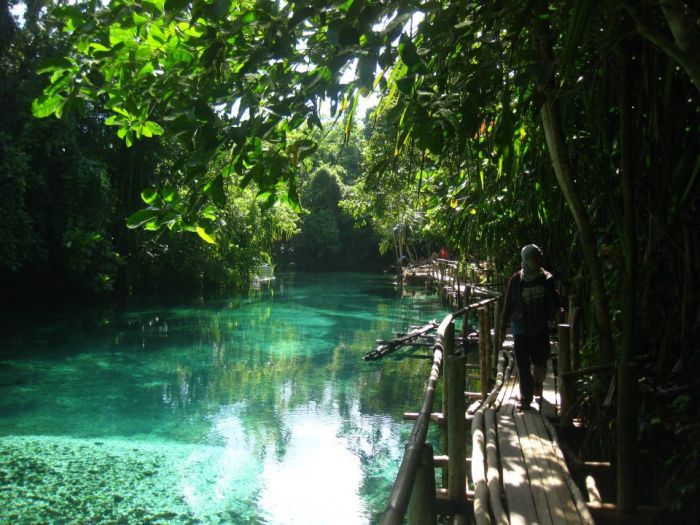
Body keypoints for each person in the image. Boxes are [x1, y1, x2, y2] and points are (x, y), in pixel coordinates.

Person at [500, 244, 563, 410]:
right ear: (526, 260)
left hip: (540, 326)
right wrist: (502, 325)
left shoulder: (546, 278)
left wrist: (558, 310)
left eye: (538, 257)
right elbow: (508, 304)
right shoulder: (516, 280)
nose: (537, 261)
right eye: (533, 258)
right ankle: (526, 399)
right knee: (522, 364)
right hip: (520, 327)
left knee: (540, 362)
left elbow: (554, 298)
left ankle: (536, 385)